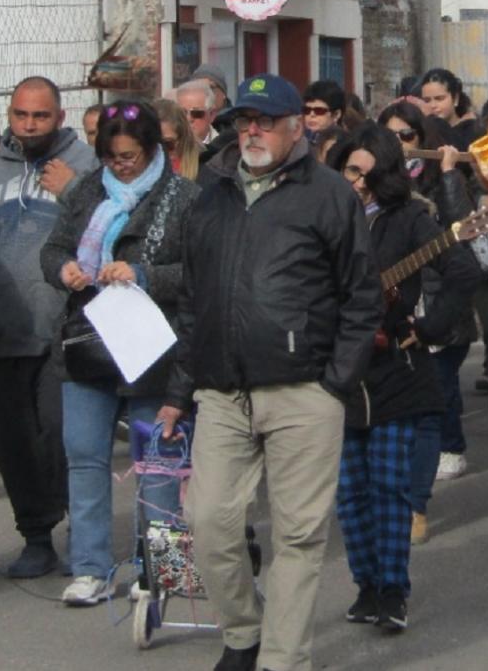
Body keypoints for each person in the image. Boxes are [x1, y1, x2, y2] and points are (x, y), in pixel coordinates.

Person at [160, 73, 381, 671]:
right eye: (242, 120)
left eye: (263, 120)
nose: (251, 131)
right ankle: (242, 634)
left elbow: (362, 297)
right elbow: (192, 301)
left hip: (304, 390)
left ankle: (283, 660)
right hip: (224, 391)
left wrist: (334, 380)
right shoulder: (211, 197)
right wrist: (181, 389)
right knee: (208, 522)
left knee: (298, 536)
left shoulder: (329, 194)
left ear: (294, 128)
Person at [40, 100, 200, 605]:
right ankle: (89, 568)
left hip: (154, 349)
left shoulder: (185, 197)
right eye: (110, 157)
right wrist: (64, 267)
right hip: (89, 345)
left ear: (153, 148)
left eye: (128, 156)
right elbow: (53, 248)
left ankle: (165, 572)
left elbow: (200, 273)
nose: (119, 166)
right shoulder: (89, 190)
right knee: (84, 457)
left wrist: (144, 274)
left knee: (161, 464)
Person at [328, 123, 480, 633]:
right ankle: (366, 585)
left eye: (370, 175)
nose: (359, 184)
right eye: (352, 170)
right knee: (349, 490)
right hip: (335, 371)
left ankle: (393, 591)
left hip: (396, 365)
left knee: (389, 485)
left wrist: (428, 326)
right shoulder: (323, 216)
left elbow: (463, 272)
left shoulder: (411, 217)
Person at [0, 75, 99, 578]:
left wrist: (75, 191)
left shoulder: (86, 165)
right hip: (3, 331)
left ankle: (83, 535)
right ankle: (36, 536)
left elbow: (117, 224)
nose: (29, 124)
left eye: (40, 116)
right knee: (16, 444)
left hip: (67, 328)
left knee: (64, 439)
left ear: (60, 117)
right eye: (21, 115)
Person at [379, 100, 477, 537]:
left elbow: (461, 245)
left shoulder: (437, 184)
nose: (399, 145)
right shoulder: (362, 187)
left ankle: (416, 505)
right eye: (390, 136)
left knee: (427, 409)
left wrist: (452, 177)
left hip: (428, 314)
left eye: (407, 136)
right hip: (376, 324)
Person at [417, 68, 482, 149]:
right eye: (427, 100)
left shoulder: (473, 129)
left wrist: (434, 121)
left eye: (439, 98)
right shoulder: (420, 130)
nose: (433, 105)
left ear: (455, 99)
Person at [152, 97, 202, 179]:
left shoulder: (204, 168)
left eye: (167, 144)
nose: (160, 151)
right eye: (153, 144)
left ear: (182, 139)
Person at [176, 79, 219, 151]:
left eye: (196, 113)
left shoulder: (223, 149)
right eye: (182, 113)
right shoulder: (168, 149)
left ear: (212, 115)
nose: (188, 119)